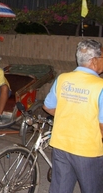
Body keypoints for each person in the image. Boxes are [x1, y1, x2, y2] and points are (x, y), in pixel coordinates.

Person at [43, 39, 103, 193]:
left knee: (60, 189)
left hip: (60, 145)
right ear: (94, 60)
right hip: (88, 150)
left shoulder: (63, 78)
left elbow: (48, 106)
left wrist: (70, 114)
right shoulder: (100, 86)